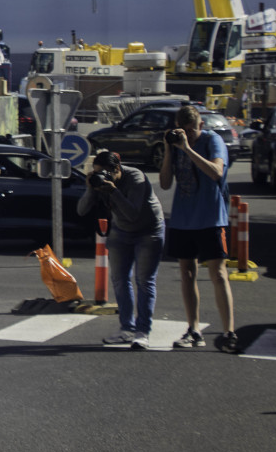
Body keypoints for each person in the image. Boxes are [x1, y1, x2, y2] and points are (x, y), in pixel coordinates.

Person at [159, 104, 239, 353]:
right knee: (187, 273)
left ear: (201, 126)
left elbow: (216, 172)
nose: (188, 135)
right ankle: (193, 329)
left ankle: (228, 332)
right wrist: (168, 150)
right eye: (183, 131)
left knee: (218, 274)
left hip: (211, 218)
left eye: (192, 130)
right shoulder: (176, 144)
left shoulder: (212, 140)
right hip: (184, 219)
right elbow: (163, 183)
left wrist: (187, 148)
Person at [78, 150, 165, 351]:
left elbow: (133, 213)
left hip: (148, 230)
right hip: (121, 231)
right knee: (119, 279)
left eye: (106, 173)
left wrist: (113, 190)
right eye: (98, 173)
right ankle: (126, 328)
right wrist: (91, 188)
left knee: (144, 281)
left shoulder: (135, 177)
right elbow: (81, 210)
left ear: (117, 169)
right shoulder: (100, 181)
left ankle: (142, 332)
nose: (103, 177)